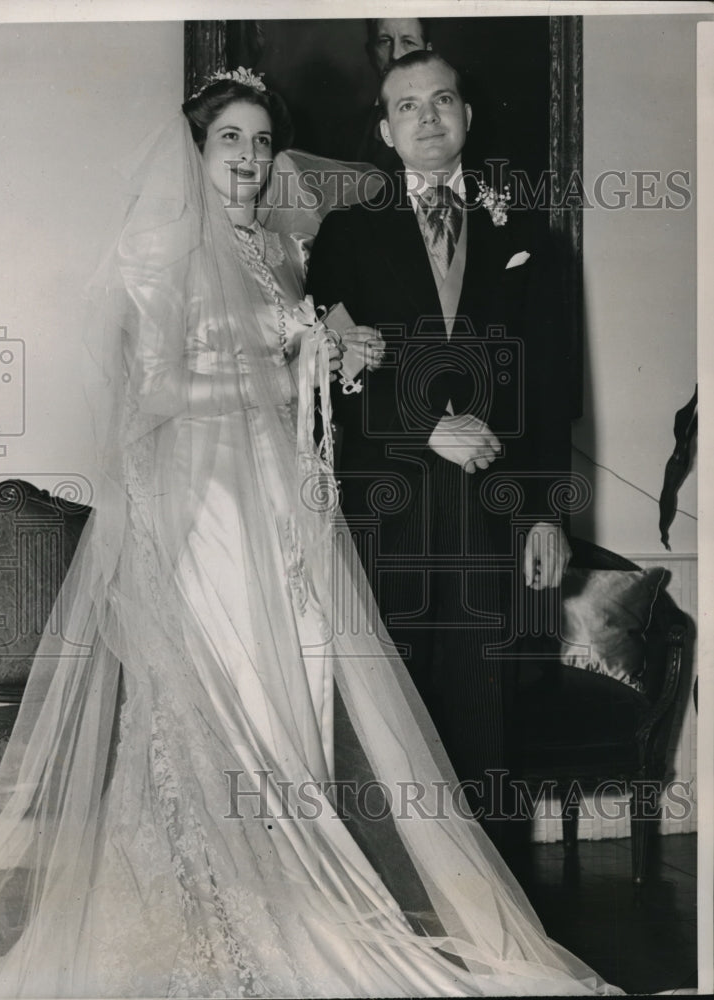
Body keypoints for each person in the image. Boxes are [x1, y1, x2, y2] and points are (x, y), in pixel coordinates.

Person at [0, 70, 611, 998]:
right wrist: (300, 365)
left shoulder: (279, 252)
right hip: (210, 517)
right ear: (197, 149)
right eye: (232, 140)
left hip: (288, 508)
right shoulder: (156, 248)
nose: (251, 158)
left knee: (296, 709)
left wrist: (332, 355)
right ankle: (206, 924)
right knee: (230, 712)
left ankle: (291, 908)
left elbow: (319, 362)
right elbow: (156, 395)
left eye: (262, 141)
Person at [307, 50, 573, 850]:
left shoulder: (529, 233)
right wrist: (425, 424)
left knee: (486, 713)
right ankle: (397, 915)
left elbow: (552, 390)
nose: (428, 116)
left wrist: (544, 514)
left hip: (495, 516)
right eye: (407, 105)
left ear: (467, 116)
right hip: (385, 511)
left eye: (443, 99)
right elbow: (326, 369)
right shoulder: (347, 234)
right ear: (386, 131)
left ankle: (494, 924)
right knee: (388, 714)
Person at [356, 17, 431, 172]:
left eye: (408, 42)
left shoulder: (443, 121)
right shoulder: (352, 126)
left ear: (427, 53)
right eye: (384, 41)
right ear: (370, 52)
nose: (395, 55)